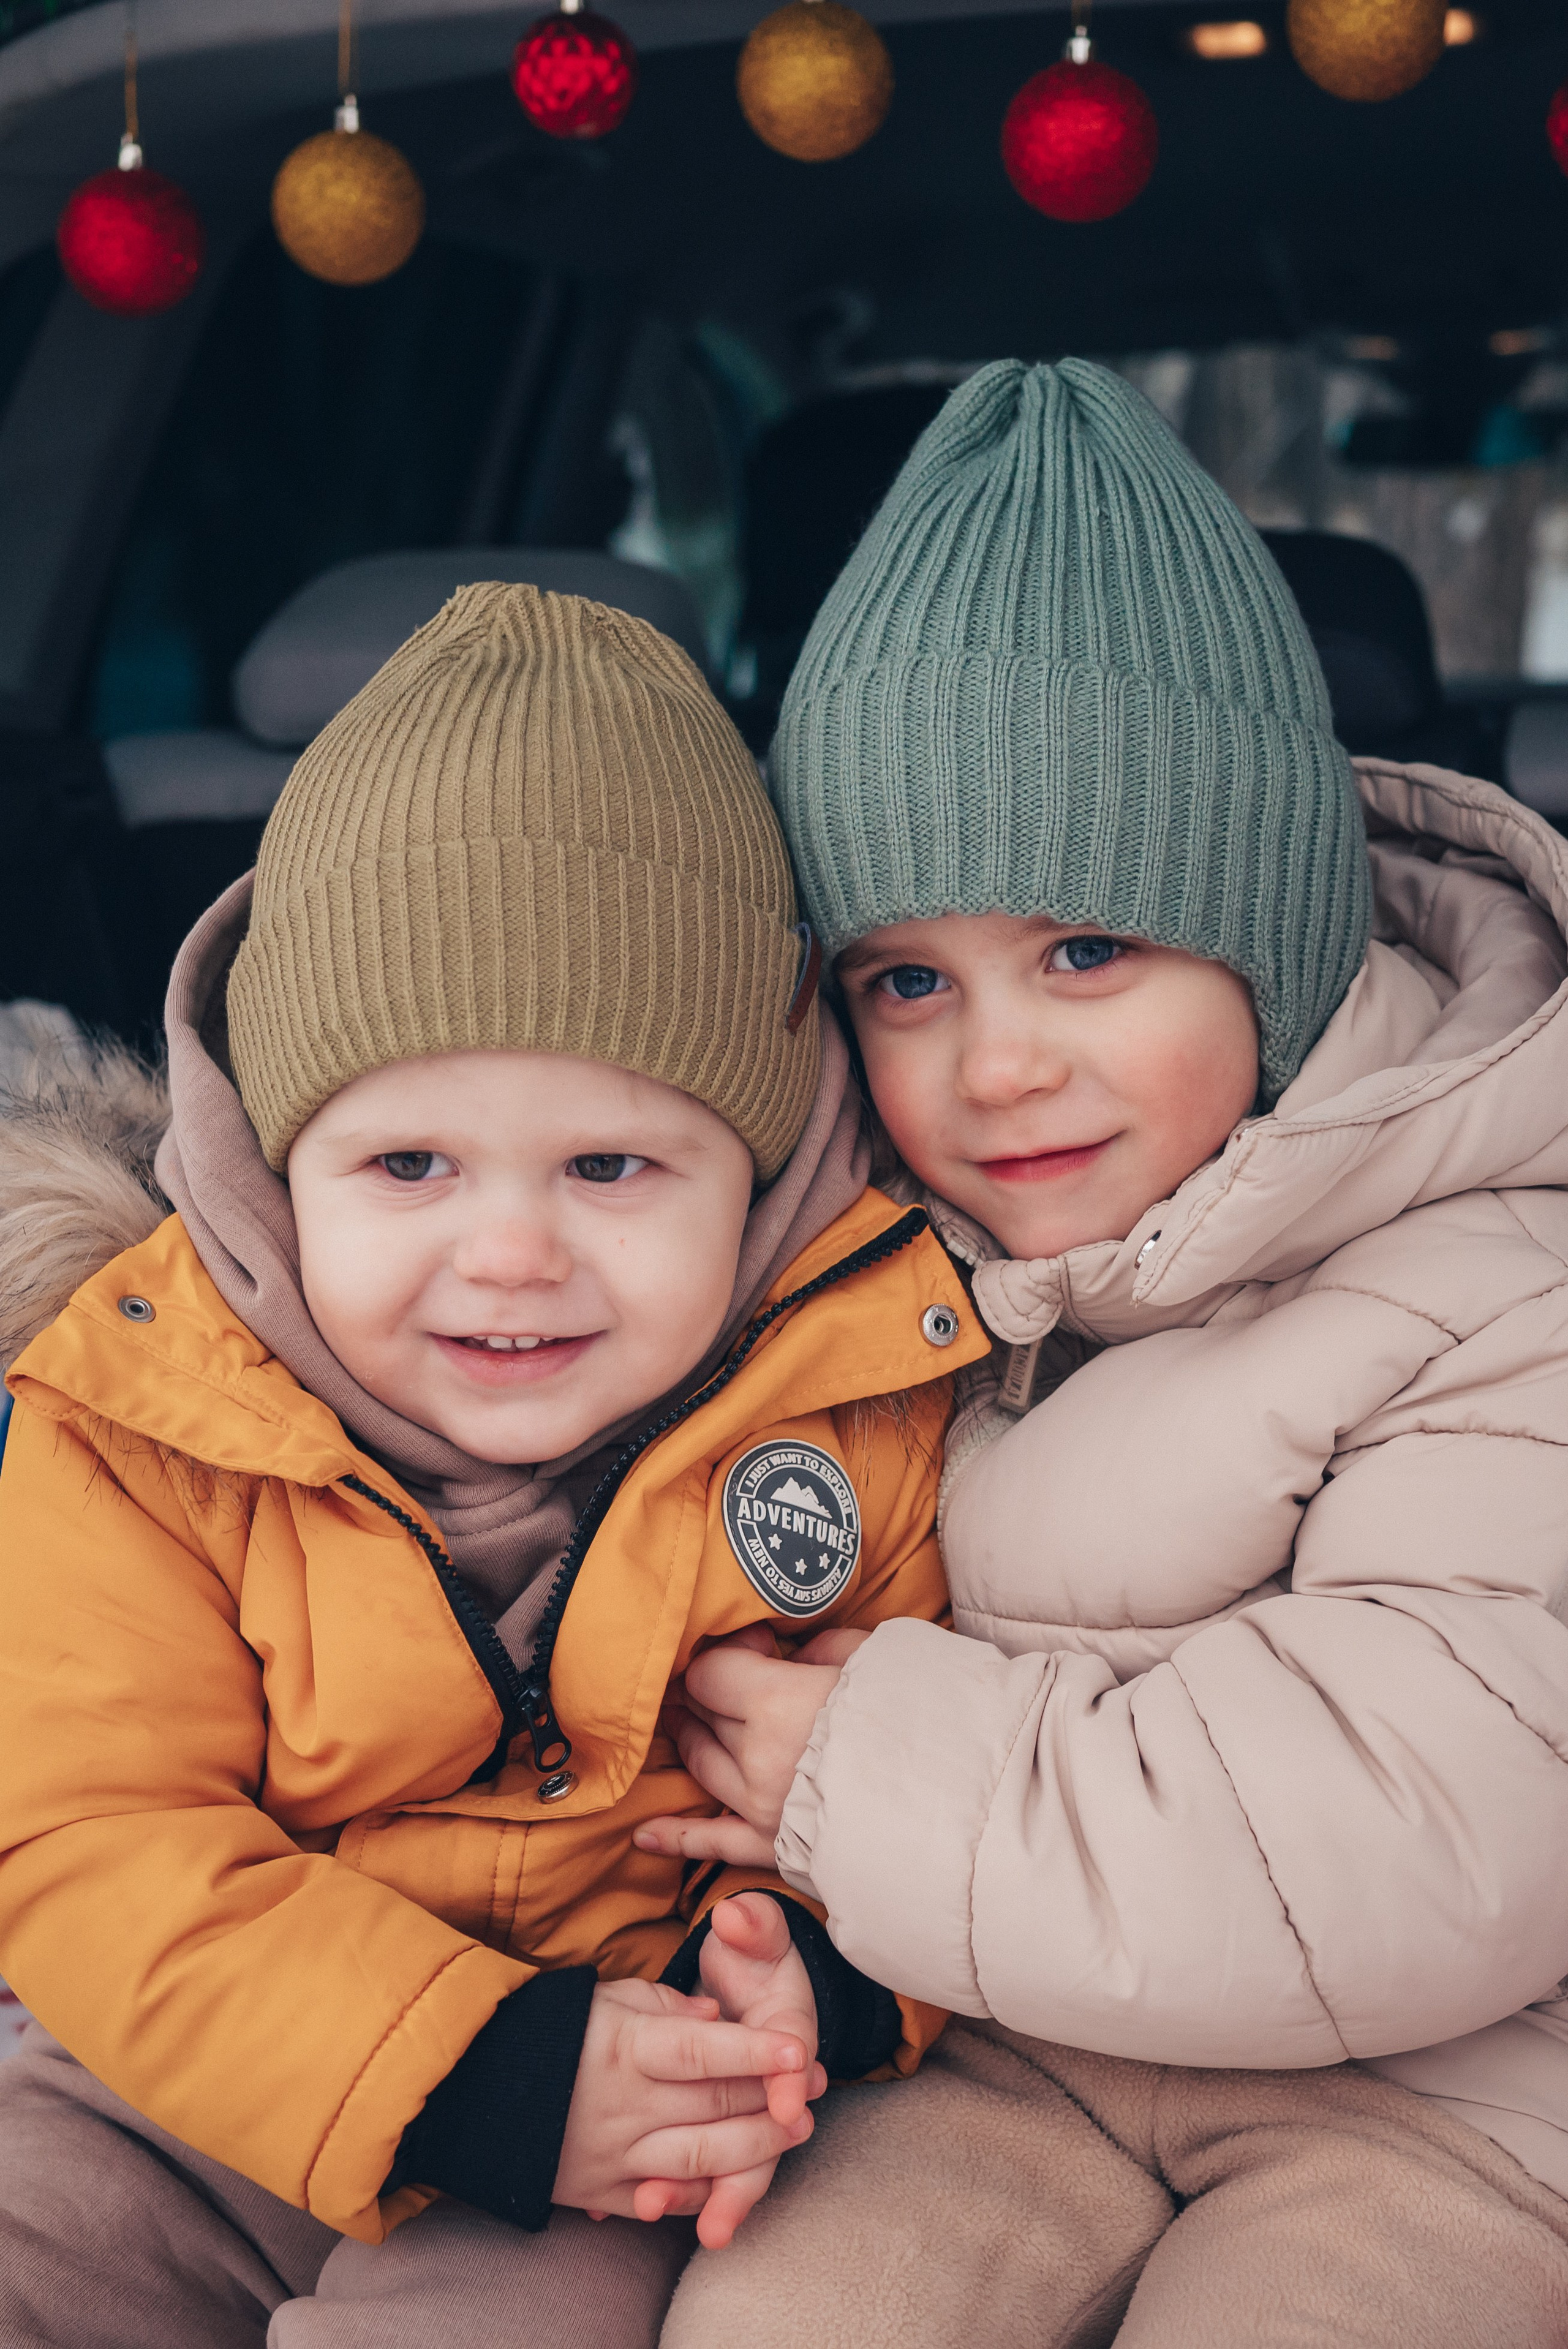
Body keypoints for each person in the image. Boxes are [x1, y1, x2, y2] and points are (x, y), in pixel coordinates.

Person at [636, 360, 1568, 2347]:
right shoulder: (843, 1264)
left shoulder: (1509, 1264)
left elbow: (1436, 1831)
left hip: (1448, 2105)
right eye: (906, 978)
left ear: (1277, 931)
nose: (996, 1063)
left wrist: (861, 1769)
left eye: (1087, 951)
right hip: (997, 2047)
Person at [0, 583, 986, 2347]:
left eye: (612, 1167)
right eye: (410, 1168)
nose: (512, 1252)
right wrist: (456, 2063)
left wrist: (803, 1979)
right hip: (181, 2081)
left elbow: (917, 1770)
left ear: (755, 1182)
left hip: (619, 2112)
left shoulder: (857, 1406)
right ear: (268, 1165)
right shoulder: (144, 1413)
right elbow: (84, 1835)